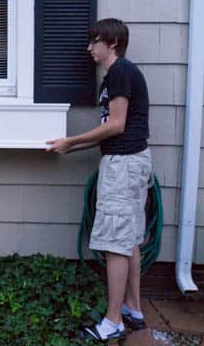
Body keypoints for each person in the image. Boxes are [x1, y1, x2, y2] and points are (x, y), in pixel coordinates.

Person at [46, 18, 151, 342]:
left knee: (114, 243)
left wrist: (72, 141)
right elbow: (112, 129)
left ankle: (114, 320)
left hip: (123, 165)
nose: (89, 48)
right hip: (129, 161)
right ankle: (133, 308)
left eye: (94, 41)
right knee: (129, 237)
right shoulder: (117, 76)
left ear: (113, 44)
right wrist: (72, 145)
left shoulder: (120, 71)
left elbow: (116, 125)